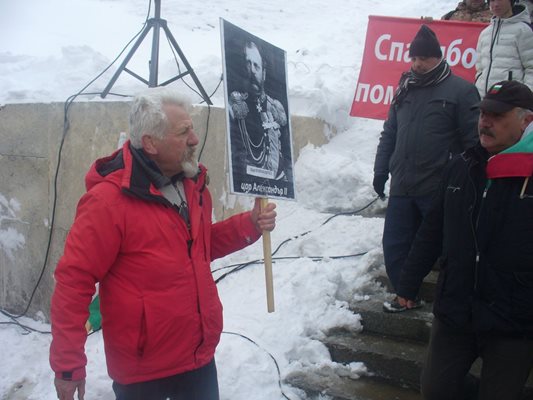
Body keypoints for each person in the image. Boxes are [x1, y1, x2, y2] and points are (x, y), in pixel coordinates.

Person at [49, 88, 277, 400]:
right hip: (144, 373)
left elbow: (197, 245)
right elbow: (73, 281)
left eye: (192, 129)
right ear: (150, 143)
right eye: (184, 132)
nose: (195, 139)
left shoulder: (193, 185)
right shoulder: (107, 203)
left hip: (198, 357)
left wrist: (249, 225)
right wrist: (68, 366)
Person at [395, 80, 533, 400]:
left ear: (526, 120)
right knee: (436, 389)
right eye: (483, 113)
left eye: (498, 115)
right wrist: (409, 279)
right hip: (457, 307)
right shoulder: (462, 165)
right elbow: (433, 227)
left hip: (515, 316)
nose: (485, 121)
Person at [372, 25, 480, 312]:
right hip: (404, 182)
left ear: (438, 57)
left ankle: (449, 301)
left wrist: (469, 179)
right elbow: (389, 133)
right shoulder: (404, 89)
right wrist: (380, 170)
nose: (417, 64)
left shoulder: (462, 91)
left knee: (440, 245)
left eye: (424, 58)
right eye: (413, 57)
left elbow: (473, 141)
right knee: (395, 245)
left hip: (438, 184)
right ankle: (405, 296)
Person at [228, 40, 292, 183]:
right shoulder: (235, 105)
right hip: (249, 184)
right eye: (248, 63)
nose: (252, 70)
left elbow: (287, 153)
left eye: (256, 65)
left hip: (278, 182)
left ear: (263, 72)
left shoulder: (276, 108)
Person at [475, 0, 533, 96]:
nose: (496, 4)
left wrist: (526, 97)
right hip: (484, 100)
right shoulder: (485, 33)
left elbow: (531, 67)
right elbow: (480, 69)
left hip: (511, 102)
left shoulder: (524, 31)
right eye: (492, 1)